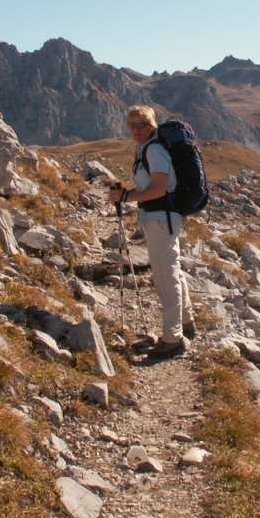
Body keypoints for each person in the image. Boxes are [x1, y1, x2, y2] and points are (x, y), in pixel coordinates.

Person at [108, 105, 195, 358]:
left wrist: (127, 197)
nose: (137, 129)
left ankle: (172, 338)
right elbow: (152, 187)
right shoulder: (146, 149)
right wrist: (127, 194)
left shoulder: (154, 150)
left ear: (152, 125)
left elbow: (159, 189)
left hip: (161, 218)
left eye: (142, 124)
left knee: (165, 277)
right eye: (132, 124)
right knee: (171, 270)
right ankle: (186, 322)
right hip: (161, 218)